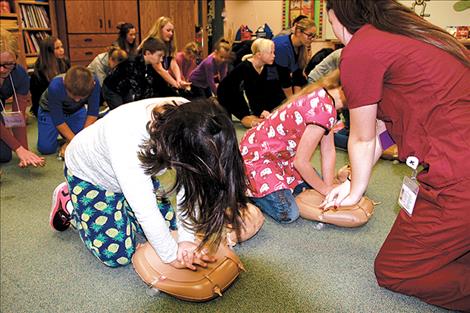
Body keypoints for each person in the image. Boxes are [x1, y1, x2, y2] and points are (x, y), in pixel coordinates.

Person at [322, 1, 470, 310]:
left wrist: (355, 192)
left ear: (337, 15)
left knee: (395, 270)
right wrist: (352, 180)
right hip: (456, 162)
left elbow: (362, 138)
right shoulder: (407, 37)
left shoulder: (361, 50)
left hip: (458, 176)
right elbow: (381, 133)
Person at [49, 97, 249, 269]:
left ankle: (124, 207)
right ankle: (71, 202)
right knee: (117, 254)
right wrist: (170, 256)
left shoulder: (196, 118)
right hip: (92, 178)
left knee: (171, 229)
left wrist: (186, 239)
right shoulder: (130, 142)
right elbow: (146, 211)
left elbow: (190, 186)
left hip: (136, 173)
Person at [239, 70, 345, 224]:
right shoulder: (324, 110)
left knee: (315, 185)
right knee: (288, 213)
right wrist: (324, 189)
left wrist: (327, 187)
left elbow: (328, 150)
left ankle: (269, 187)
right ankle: (249, 190)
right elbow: (301, 163)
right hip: (258, 157)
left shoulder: (327, 99)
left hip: (282, 156)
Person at [0, 28, 44, 167]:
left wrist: (24, 151)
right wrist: (17, 148)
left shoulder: (20, 75)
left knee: (4, 156)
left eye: (8, 64)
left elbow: (17, 116)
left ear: (16, 60)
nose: (2, 70)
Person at [217, 38, 285, 128]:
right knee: (249, 117)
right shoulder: (245, 68)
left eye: (274, 52)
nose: (274, 56)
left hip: (245, 93)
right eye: (271, 53)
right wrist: (257, 112)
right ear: (259, 55)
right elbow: (245, 95)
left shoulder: (269, 67)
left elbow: (273, 89)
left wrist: (282, 106)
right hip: (229, 93)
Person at [37, 66, 100, 156]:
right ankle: (66, 138)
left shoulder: (94, 83)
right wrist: (76, 143)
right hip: (49, 111)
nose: (77, 100)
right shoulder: (55, 86)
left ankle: (67, 139)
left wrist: (79, 140)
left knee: (85, 137)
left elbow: (93, 114)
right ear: (64, 85)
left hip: (76, 110)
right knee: (46, 148)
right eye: (73, 96)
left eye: (82, 97)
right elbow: (58, 120)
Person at [102, 37, 176, 110]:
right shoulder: (133, 63)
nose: (161, 59)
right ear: (148, 53)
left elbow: (156, 85)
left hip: (125, 89)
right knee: (121, 112)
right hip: (112, 90)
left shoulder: (150, 65)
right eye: (159, 56)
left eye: (162, 57)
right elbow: (138, 88)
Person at [140, 16, 191, 90]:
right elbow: (159, 69)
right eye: (168, 30)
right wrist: (177, 85)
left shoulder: (168, 44)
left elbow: (173, 63)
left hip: (159, 81)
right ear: (160, 30)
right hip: (148, 82)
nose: (171, 33)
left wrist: (179, 80)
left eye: (172, 31)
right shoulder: (153, 43)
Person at [273, 18, 316, 97]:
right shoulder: (282, 46)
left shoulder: (302, 47)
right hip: (271, 83)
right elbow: (284, 79)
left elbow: (298, 76)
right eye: (310, 35)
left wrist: (297, 99)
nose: (312, 39)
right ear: (299, 32)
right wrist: (291, 101)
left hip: (283, 81)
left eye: (314, 36)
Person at [30, 36, 70, 117]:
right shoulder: (39, 72)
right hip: (45, 106)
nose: (62, 50)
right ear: (48, 52)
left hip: (61, 102)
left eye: (61, 46)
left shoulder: (65, 62)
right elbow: (39, 99)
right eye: (57, 48)